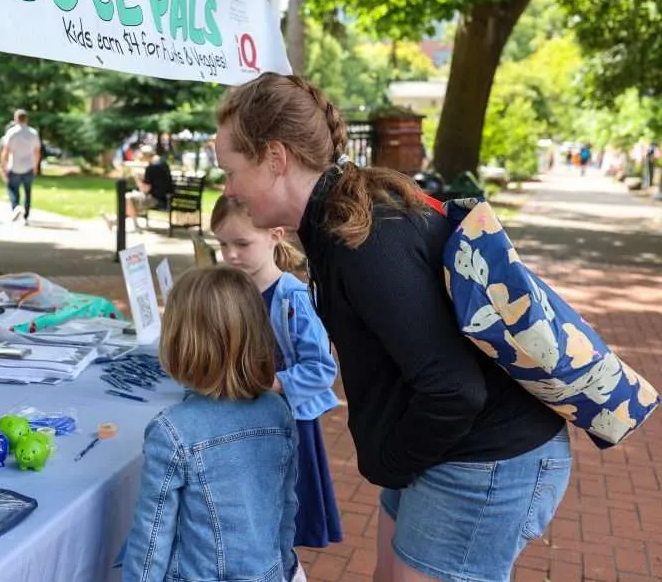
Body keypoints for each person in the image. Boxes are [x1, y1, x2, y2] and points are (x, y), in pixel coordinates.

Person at [214, 73, 570, 582]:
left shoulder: (363, 237)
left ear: (275, 158)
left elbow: (454, 389)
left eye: (231, 170)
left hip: (489, 455)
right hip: (447, 446)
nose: (229, 189)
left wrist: (387, 465)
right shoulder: (339, 219)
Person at [122, 265, 303, 582]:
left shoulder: (172, 431)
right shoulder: (278, 411)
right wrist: (285, 568)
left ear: (180, 343)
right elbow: (286, 507)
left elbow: (151, 538)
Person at [211, 196, 343, 549]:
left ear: (275, 235)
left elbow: (321, 370)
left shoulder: (293, 298)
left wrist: (271, 383)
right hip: (243, 420)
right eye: (222, 244)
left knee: (286, 519)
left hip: (289, 426)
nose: (231, 254)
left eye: (242, 243)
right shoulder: (232, 291)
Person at [0, 109, 41, 224]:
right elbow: (37, 152)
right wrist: (35, 166)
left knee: (12, 189)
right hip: (28, 166)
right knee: (28, 192)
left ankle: (16, 207)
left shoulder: (12, 133)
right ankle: (26, 216)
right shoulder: (33, 133)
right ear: (26, 119)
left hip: (14, 166)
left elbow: (5, 151)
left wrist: (3, 165)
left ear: (16, 119)